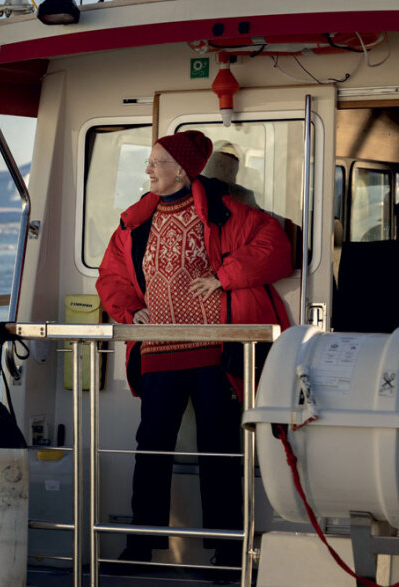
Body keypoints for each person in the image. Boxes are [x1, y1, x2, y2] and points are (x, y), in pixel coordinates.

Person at [95, 130, 292, 567]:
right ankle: (141, 544)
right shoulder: (135, 221)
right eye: (148, 162)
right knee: (151, 446)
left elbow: (276, 247)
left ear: (182, 169)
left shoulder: (228, 213)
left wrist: (225, 276)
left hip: (213, 349)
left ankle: (226, 552)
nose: (147, 170)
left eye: (156, 162)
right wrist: (130, 311)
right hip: (158, 349)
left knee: (218, 449)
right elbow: (111, 276)